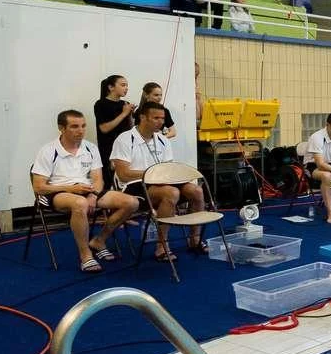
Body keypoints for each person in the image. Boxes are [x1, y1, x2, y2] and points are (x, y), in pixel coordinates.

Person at [31, 110, 138, 273]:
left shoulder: (90, 148)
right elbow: (39, 187)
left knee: (131, 202)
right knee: (79, 204)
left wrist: (93, 195)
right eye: (74, 126)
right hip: (59, 191)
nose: (80, 130)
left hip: (87, 189)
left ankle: (99, 240)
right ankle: (86, 255)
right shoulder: (47, 151)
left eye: (83, 126)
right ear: (62, 128)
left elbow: (97, 179)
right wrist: (70, 188)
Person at [110, 102, 203, 262]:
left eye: (162, 118)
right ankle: (162, 245)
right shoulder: (124, 139)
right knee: (171, 192)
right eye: (156, 118)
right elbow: (123, 174)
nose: (161, 122)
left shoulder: (163, 140)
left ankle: (195, 239)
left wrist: (175, 176)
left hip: (161, 182)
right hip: (134, 186)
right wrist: (152, 173)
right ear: (142, 117)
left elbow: (167, 169)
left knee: (196, 190)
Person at [94, 75, 134, 173]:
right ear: (111, 87)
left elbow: (130, 128)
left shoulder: (125, 104)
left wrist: (130, 115)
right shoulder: (100, 104)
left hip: (126, 147)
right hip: (108, 148)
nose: (126, 88)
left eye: (127, 85)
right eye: (123, 85)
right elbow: (104, 128)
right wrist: (124, 113)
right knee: (110, 179)